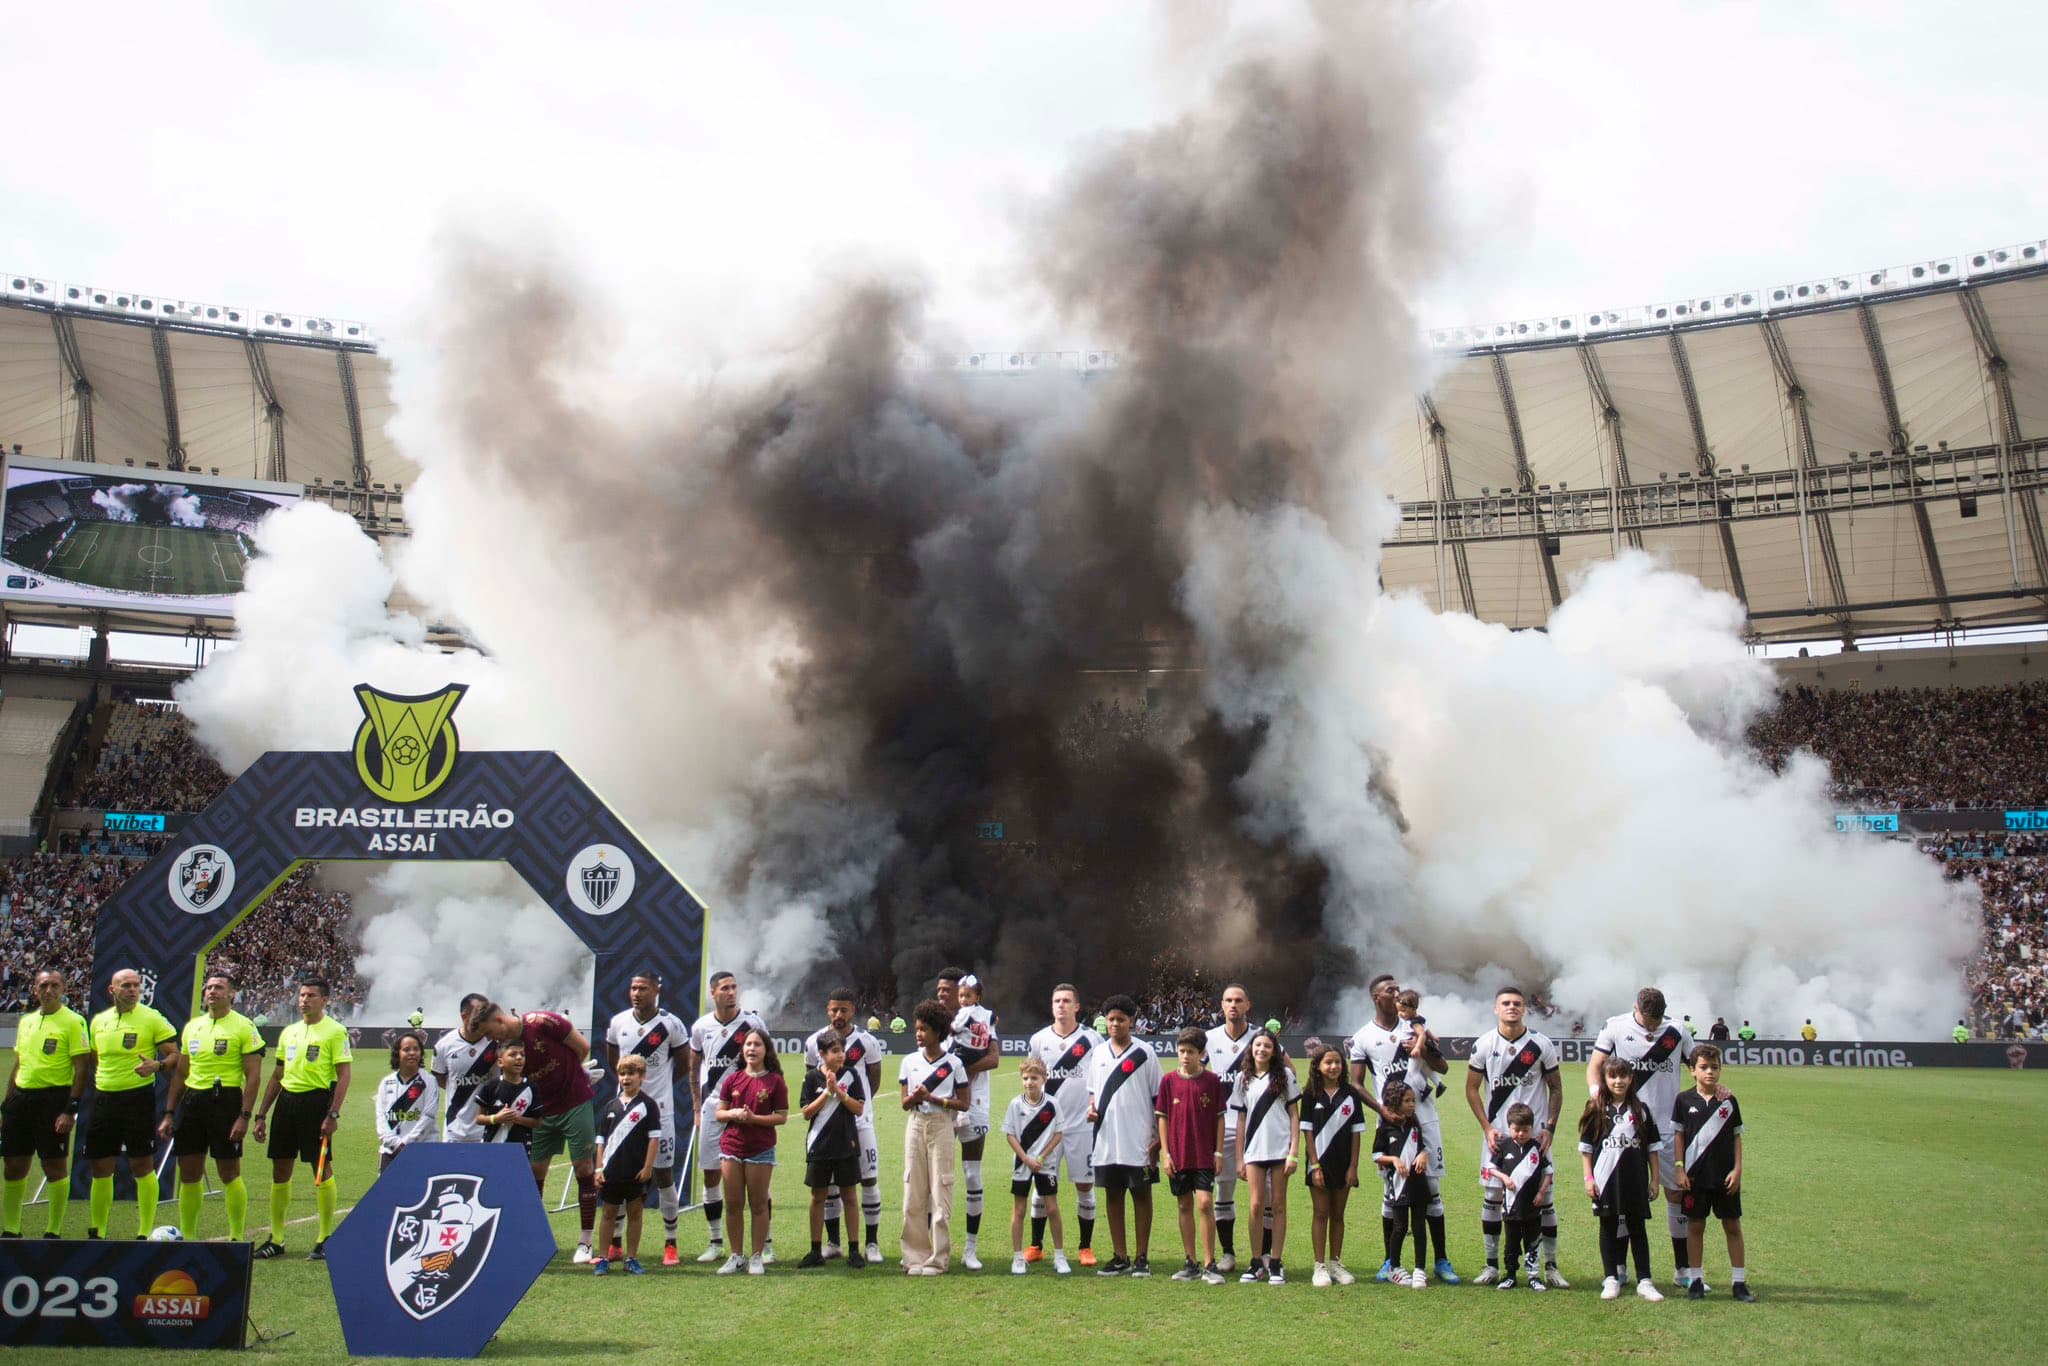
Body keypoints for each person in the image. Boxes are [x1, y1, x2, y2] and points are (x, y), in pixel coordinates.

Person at [1349, 976, 1456, 1282]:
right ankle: (1390, 1260)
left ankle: (1441, 1261)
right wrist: (1382, 1110)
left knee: (1432, 1189)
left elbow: (1443, 1067)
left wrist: (1424, 1050)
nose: (1397, 993)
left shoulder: (1416, 1027)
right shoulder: (1364, 1037)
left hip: (1425, 1116)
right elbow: (1355, 1082)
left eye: (1398, 989)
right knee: (1391, 1190)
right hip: (1392, 1121)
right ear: (1376, 998)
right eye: (1390, 990)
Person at [1587, 986, 1694, 1288]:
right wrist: (1598, 1099)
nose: (1652, 1027)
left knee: (1676, 1194)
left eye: (1656, 1021)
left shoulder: (1677, 1030)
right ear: (1636, 1008)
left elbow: (1697, 1067)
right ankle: (1619, 1268)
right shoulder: (1615, 1026)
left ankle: (1683, 1270)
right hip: (1624, 1127)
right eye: (1648, 1021)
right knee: (1622, 1198)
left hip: (1668, 1124)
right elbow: (1595, 1066)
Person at [478, 1000, 600, 1262]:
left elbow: (583, 1048)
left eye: (490, 1032)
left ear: (499, 1021)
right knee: (535, 1171)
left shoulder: (542, 1022)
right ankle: (535, 1239)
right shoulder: (507, 1049)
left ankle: (586, 1241)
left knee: (584, 1168)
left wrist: (568, 1078)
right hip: (542, 1111)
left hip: (574, 1101)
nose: (490, 1038)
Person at [1464, 985, 1566, 1287]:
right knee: (1494, 1196)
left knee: (1544, 1200)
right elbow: (1471, 1088)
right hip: (1498, 1136)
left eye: (1517, 1003)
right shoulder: (1484, 1044)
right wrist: (1486, 1126)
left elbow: (1557, 1088)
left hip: (1535, 1138)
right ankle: (1492, 1266)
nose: (1512, 1007)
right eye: (1506, 1003)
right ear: (1496, 1008)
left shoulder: (1541, 1044)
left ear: (1525, 1009)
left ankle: (1550, 1267)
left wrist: (1549, 1127)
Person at [157, 973, 264, 1240]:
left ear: (232, 994)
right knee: (189, 1173)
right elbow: (181, 1074)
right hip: (193, 1102)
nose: (212, 991)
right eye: (209, 987)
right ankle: (189, 1238)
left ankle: (237, 1236)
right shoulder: (193, 1027)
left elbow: (253, 1076)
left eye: (219, 987)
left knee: (229, 1172)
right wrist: (169, 1113)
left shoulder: (244, 1026)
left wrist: (244, 1116)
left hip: (225, 1101)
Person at [251, 979, 350, 1260]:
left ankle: (324, 1237)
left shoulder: (335, 1031)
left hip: (317, 1102)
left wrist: (333, 1113)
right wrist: (261, 1114)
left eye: (311, 995)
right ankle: (277, 1239)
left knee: (320, 1170)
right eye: (302, 995)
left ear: (325, 1000)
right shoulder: (289, 1033)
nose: (304, 1000)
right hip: (287, 1103)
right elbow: (277, 1074)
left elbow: (344, 1075)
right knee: (280, 1170)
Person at [83, 967, 180, 1242]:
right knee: (101, 1166)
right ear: (111, 990)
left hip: (137, 1099)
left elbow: (176, 1056)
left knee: (142, 1164)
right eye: (126, 985)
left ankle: (144, 1230)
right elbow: (95, 1058)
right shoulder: (99, 1021)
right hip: (104, 1100)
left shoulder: (152, 1018)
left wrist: (157, 1065)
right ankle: (97, 1230)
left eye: (136, 985)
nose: (133, 990)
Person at [605, 972, 688, 1265]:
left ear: (657, 990)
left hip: (660, 1113)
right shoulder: (618, 1023)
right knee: (619, 1174)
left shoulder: (671, 1024)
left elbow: (682, 1065)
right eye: (632, 988)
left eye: (642, 988)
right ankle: (615, 1242)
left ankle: (671, 1242)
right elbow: (614, 1059)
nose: (636, 993)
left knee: (664, 1175)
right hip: (625, 1114)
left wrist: (653, 1093)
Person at [685, 971, 768, 1264]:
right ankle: (716, 1241)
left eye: (734, 987)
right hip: (713, 1108)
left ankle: (765, 1245)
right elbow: (693, 1070)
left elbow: (770, 1065)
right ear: (713, 992)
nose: (731, 992)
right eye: (724, 988)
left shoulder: (753, 1023)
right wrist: (697, 1108)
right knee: (711, 1174)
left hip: (749, 1110)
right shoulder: (700, 1027)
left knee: (757, 1175)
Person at [1, 969, 90, 1238]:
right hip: (20, 1100)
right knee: (13, 1165)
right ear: (35, 989)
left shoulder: (74, 1022)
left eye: (54, 985)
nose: (48, 990)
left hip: (53, 1100)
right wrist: (7, 1105)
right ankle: (11, 1229)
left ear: (63, 988)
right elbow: (19, 1064)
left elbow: (82, 1067)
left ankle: (53, 1230)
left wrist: (70, 1109)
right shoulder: (27, 1021)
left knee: (53, 1165)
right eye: (43, 985)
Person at [801, 987, 886, 1263]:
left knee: (868, 1179)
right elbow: (811, 1078)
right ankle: (834, 1242)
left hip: (860, 1121)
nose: (839, 1014)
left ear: (853, 1010)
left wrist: (858, 1106)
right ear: (828, 1010)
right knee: (831, 1185)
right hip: (826, 1124)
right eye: (834, 1009)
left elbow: (873, 1079)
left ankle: (871, 1244)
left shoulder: (867, 1041)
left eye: (844, 1010)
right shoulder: (815, 1041)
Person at [1670, 1045, 1754, 1302]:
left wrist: (1738, 1169)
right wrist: (1679, 1168)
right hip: (1695, 1178)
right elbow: (1679, 1136)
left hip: (1724, 1176)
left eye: (1714, 1067)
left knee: (1732, 1225)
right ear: (1692, 1071)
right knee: (1696, 1226)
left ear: (1721, 1069)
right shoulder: (1684, 1100)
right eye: (1704, 1067)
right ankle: (1696, 1279)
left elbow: (1737, 1136)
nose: (1710, 1072)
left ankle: (1739, 1282)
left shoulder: (1728, 1100)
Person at [1085, 994, 1161, 1278]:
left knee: (1141, 1194)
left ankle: (1142, 1257)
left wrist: (1158, 1139)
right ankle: (1120, 1255)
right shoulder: (1099, 1053)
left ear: (1132, 1021)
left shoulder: (1145, 1053)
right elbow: (1093, 1094)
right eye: (1111, 1019)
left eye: (1121, 1019)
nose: (1115, 1024)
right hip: (1106, 1137)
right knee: (1113, 1195)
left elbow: (1158, 1099)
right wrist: (1091, 1112)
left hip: (1139, 1138)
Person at [1027, 983, 1102, 1266]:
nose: (1061, 1005)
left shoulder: (1092, 1040)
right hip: (1048, 1127)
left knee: (1085, 1184)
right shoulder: (1038, 1040)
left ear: (1077, 1006)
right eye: (1057, 1000)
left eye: (1067, 1001)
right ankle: (1036, 1245)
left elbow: (1099, 1078)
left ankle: (1085, 1247)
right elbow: (1031, 1079)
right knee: (1042, 1185)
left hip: (1081, 1124)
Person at [1579, 1055, 1663, 1302]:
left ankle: (1645, 1280)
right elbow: (1586, 1149)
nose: (1618, 1081)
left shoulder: (1641, 1110)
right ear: (1604, 1079)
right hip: (1605, 1180)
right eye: (1613, 1076)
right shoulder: (1595, 1108)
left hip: (1635, 1178)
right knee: (1608, 1226)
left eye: (1623, 1076)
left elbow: (1652, 1149)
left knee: (1638, 1227)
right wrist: (1588, 1178)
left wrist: (1655, 1179)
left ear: (1631, 1078)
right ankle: (1611, 1278)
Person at [898, 999, 971, 1275]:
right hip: (915, 1124)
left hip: (941, 1126)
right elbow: (904, 1103)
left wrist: (936, 1099)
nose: (919, 1034)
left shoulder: (953, 1064)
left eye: (924, 1029)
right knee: (912, 1193)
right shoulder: (909, 1061)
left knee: (941, 1191)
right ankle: (914, 1257)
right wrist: (914, 1098)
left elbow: (964, 1103)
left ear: (938, 1031)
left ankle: (939, 1259)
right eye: (917, 1029)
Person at [936, 968, 997, 1271]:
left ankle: (970, 1249)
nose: (943, 995)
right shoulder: (934, 1025)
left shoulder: (982, 1021)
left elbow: (994, 1058)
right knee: (939, 1177)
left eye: (948, 990)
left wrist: (964, 1072)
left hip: (975, 1106)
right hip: (941, 1108)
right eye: (942, 991)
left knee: (972, 1175)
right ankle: (938, 1247)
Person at [1154, 1026, 1226, 1284]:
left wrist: (1218, 1152)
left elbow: (1220, 1118)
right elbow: (1162, 1119)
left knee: (1205, 1203)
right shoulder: (1168, 1081)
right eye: (1181, 1051)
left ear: (1202, 1053)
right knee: (1184, 1205)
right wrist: (1165, 1153)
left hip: (1204, 1155)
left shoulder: (1212, 1081)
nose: (1185, 1056)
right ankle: (1190, 1262)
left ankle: (1210, 1263)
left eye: (1191, 1052)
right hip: (1179, 1154)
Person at [714, 1025, 787, 1275]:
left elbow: (781, 1117)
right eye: (748, 1044)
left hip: (760, 1149)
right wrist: (733, 1113)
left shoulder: (775, 1081)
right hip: (732, 1147)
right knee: (733, 1204)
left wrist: (754, 1118)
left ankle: (756, 1256)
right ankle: (736, 1256)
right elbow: (719, 1112)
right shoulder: (733, 1079)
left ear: (766, 1050)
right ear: (742, 1050)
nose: (752, 1049)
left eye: (757, 1044)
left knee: (758, 1204)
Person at [1231, 1028, 1299, 1284]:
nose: (1261, 1050)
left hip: (1280, 1149)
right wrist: (1239, 1158)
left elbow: (1294, 1114)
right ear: (1252, 1049)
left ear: (1274, 1051)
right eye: (1258, 1045)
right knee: (1256, 1205)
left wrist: (1293, 1152)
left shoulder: (1285, 1076)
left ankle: (1277, 1262)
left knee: (1279, 1205)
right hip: (1254, 1150)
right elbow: (1240, 1119)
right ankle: (1256, 1260)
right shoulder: (1242, 1079)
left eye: (1267, 1046)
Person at [1298, 1041, 1366, 1288]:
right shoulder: (1310, 1094)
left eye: (1337, 1062)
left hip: (1343, 1163)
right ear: (1318, 1066)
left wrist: (1353, 1167)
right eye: (1328, 1062)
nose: (1334, 1066)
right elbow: (1306, 1132)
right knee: (1321, 1213)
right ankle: (1320, 1266)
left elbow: (1357, 1133)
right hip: (1319, 1164)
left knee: (1338, 1214)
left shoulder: (1351, 1094)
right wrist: (1314, 1166)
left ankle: (1336, 1263)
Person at [797, 1033, 868, 1269]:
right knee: (818, 1197)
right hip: (819, 1145)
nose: (840, 1055)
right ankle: (815, 1250)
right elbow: (806, 1112)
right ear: (822, 1054)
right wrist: (827, 1092)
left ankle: (855, 1250)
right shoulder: (811, 1077)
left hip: (846, 1144)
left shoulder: (851, 1074)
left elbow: (858, 1108)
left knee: (849, 1196)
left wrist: (838, 1090)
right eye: (834, 1050)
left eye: (841, 1050)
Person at [1202, 982, 1257, 1271]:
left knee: (1265, 1193)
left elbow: (1286, 1070)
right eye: (1228, 1000)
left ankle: (1265, 1256)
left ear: (1248, 1005)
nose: (1233, 1005)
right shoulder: (1209, 1039)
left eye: (1238, 1000)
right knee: (1224, 1190)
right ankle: (1228, 1254)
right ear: (1222, 1006)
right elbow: (1193, 1074)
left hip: (1256, 1126)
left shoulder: (1261, 1038)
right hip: (1223, 1125)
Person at [592, 1055, 662, 1277]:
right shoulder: (610, 1106)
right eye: (622, 1074)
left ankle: (631, 1257)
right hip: (611, 1172)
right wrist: (598, 1168)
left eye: (631, 1074)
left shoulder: (648, 1105)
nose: (626, 1078)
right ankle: (603, 1258)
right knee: (608, 1214)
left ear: (642, 1077)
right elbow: (601, 1141)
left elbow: (654, 1138)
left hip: (636, 1171)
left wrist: (648, 1167)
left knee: (635, 1213)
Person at [1001, 1056, 1067, 1275]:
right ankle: (1018, 1257)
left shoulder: (1052, 1104)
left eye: (1034, 1078)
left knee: (1052, 1208)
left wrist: (1042, 1156)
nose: (1030, 1082)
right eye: (1026, 1078)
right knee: (1019, 1210)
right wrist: (1026, 1157)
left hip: (1045, 1165)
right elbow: (1010, 1135)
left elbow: (1058, 1134)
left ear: (1044, 1079)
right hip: (1022, 1164)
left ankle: (1059, 1255)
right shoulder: (1015, 1104)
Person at [1479, 1103, 1553, 1293]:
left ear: (1532, 1128)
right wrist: (1505, 1178)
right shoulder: (1504, 1146)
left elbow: (1548, 1172)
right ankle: (1510, 1275)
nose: (1520, 1134)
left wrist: (1541, 1192)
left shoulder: (1536, 1147)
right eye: (1516, 1130)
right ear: (1509, 1127)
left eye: (1525, 1130)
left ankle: (1533, 1276)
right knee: (1511, 1242)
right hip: (1510, 1207)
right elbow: (1491, 1168)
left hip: (1532, 1206)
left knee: (1533, 1242)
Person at [1372, 1080, 1432, 1289]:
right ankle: (1394, 1267)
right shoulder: (1385, 1128)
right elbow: (1376, 1155)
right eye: (1407, 1101)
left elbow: (1422, 1146)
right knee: (1399, 1227)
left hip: (1418, 1184)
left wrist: (1424, 1154)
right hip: (1398, 1186)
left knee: (1419, 1227)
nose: (1412, 1104)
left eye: (1413, 1101)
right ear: (1395, 1102)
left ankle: (1419, 1270)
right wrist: (1394, 1161)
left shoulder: (1414, 1125)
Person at [433, 992, 499, 1145]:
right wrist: (462, 1087)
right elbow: (440, 1078)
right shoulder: (444, 1045)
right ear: (464, 1016)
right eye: (480, 1014)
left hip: (490, 1127)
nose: (484, 1018)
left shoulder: (496, 1041)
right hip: (455, 1131)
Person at [372, 1031, 440, 1173]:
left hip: (422, 1150)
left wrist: (407, 1143)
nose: (412, 1053)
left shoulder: (429, 1081)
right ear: (398, 1053)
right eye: (406, 1049)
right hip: (391, 1150)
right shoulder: (386, 1083)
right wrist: (396, 1144)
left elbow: (428, 1116)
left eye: (416, 1049)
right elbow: (381, 1118)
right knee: (388, 1194)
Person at [476, 1042, 538, 1146]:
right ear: (500, 1062)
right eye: (512, 1054)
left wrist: (517, 1119)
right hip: (493, 1144)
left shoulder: (531, 1087)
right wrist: (496, 1118)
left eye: (522, 1055)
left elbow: (537, 1122)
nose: (519, 1057)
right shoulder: (491, 1086)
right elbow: (479, 1118)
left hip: (520, 1146)